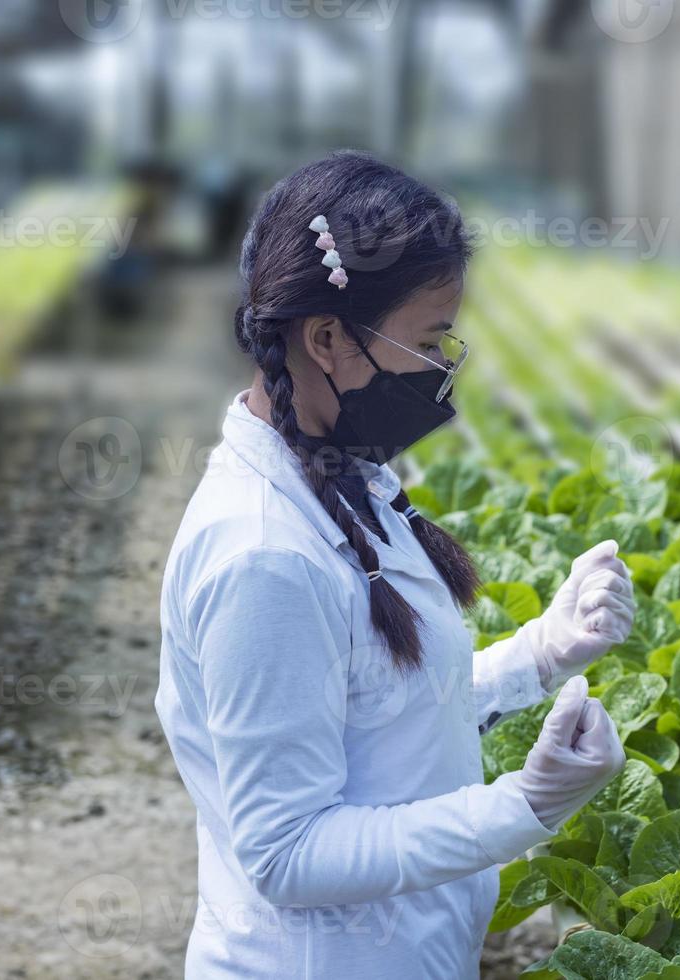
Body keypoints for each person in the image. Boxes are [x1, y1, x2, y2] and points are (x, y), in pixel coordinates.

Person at [154, 151, 636, 979]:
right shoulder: (263, 557)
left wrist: (538, 656)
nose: (445, 365)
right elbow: (288, 853)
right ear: (329, 337)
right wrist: (521, 806)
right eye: (426, 339)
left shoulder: (339, 469)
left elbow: (376, 716)